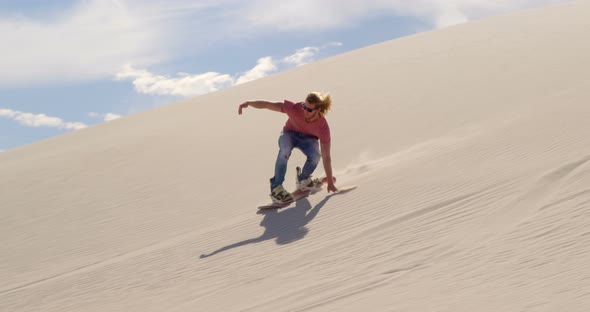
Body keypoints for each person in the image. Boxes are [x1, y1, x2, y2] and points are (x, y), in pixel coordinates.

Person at [238, 92, 338, 203]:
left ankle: (303, 180)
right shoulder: (295, 108)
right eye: (304, 107)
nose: (305, 111)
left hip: (309, 139)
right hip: (289, 134)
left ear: (319, 110)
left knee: (316, 156)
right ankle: (276, 188)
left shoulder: (323, 127)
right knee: (284, 151)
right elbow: (267, 104)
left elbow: (326, 157)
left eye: (309, 110)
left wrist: (330, 182)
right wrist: (248, 103)